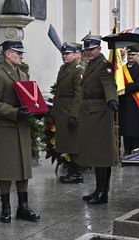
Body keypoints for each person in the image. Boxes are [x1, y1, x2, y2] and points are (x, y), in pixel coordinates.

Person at [0, 40, 40, 223]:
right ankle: (5, 207)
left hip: (21, 126)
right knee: (6, 168)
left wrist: (37, 109)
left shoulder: (22, 73)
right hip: (7, 126)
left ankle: (23, 207)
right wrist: (14, 112)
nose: (22, 56)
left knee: (23, 167)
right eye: (18, 52)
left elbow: (28, 96)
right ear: (8, 53)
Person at [76, 34, 118, 205]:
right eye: (86, 50)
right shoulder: (91, 64)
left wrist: (112, 100)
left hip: (100, 112)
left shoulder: (103, 65)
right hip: (90, 113)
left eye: (92, 49)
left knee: (102, 156)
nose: (89, 53)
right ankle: (98, 189)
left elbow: (109, 85)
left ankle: (103, 192)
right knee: (95, 155)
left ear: (99, 49)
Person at [51, 42, 84, 184]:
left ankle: (77, 173)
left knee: (73, 143)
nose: (64, 56)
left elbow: (79, 94)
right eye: (63, 54)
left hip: (70, 109)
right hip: (61, 109)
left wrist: (73, 114)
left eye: (67, 54)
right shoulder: (63, 69)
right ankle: (73, 170)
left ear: (75, 54)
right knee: (66, 143)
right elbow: (58, 91)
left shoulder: (78, 70)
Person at [119, 49, 139, 156]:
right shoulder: (121, 69)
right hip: (123, 102)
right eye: (129, 54)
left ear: (137, 56)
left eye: (133, 54)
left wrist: (124, 88)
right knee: (125, 128)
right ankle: (126, 150)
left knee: (134, 127)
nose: (131, 56)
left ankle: (135, 150)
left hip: (135, 102)